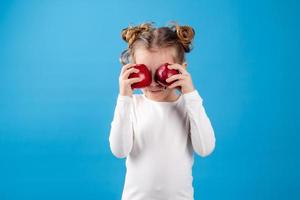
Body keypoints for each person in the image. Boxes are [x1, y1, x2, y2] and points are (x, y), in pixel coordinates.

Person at [109, 21, 216, 200]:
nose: (152, 83)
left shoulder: (188, 107)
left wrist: (191, 95)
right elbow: (119, 150)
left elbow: (205, 148)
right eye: (144, 71)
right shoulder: (132, 105)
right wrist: (124, 98)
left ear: (182, 69)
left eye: (161, 72)